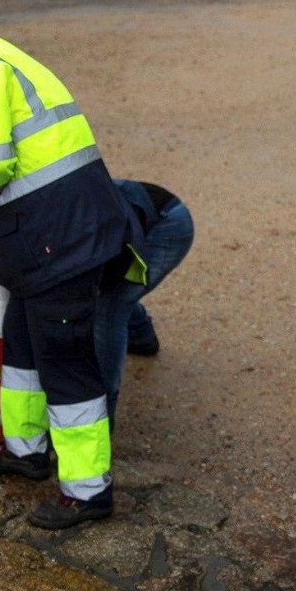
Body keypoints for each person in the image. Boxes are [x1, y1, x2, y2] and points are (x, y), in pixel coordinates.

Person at [0, 0, 145, 529]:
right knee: (20, 345)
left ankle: (87, 492)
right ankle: (26, 450)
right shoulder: (3, 54)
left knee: (64, 361)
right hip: (69, 228)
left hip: (56, 241)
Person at [95, 179, 194, 422]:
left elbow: (111, 268)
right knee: (113, 292)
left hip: (166, 224)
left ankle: (100, 417)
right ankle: (142, 337)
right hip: (144, 215)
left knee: (108, 308)